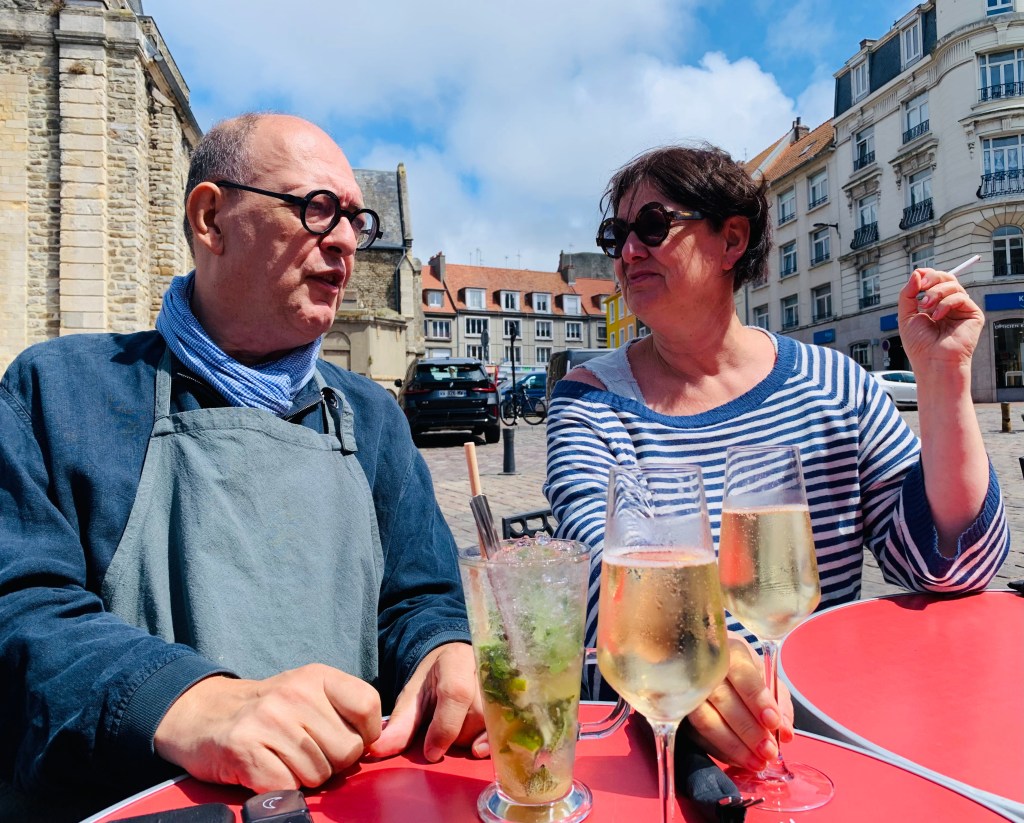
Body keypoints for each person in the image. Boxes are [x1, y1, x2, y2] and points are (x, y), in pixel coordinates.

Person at [0, 113, 484, 820]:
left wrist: (441, 652)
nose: (347, 240)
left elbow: (420, 597)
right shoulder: (60, 390)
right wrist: (187, 700)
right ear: (211, 220)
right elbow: (21, 608)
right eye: (317, 208)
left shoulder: (373, 417)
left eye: (356, 220)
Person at [544, 144, 1009, 776]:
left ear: (731, 240)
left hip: (822, 728)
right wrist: (703, 662)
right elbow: (606, 581)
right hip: (658, 739)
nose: (627, 252)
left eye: (652, 226)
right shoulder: (591, 401)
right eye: (615, 235)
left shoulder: (834, 385)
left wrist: (943, 377)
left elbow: (950, 567)